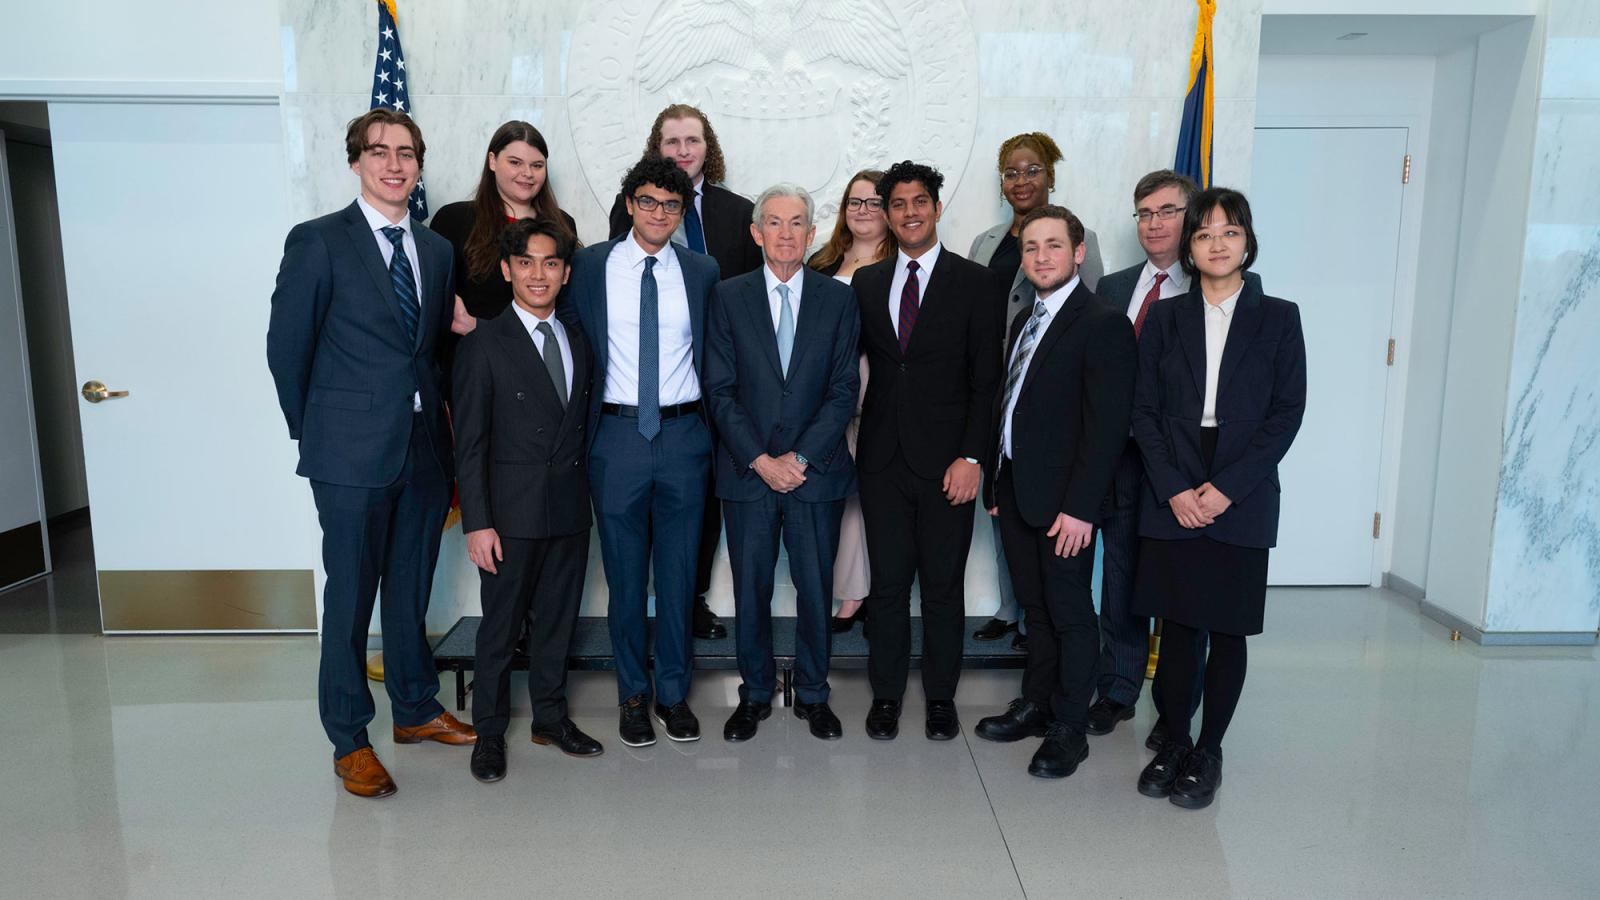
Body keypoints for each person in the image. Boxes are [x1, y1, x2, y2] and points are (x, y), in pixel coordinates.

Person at [267, 108, 476, 799]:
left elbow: (430, 352)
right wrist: (320, 435)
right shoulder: (319, 242)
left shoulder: (435, 251)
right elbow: (287, 351)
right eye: (380, 152)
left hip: (421, 450)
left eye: (407, 153)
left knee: (410, 589)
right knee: (353, 596)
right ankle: (350, 737)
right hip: (348, 455)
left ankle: (415, 708)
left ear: (418, 165)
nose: (395, 164)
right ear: (355, 160)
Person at [1131, 187, 1306, 809]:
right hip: (1175, 478)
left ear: (1247, 241)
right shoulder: (1167, 318)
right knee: (1178, 629)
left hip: (1244, 484)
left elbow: (1286, 414)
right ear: (1190, 246)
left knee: (1228, 631)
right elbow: (1142, 411)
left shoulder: (1280, 318)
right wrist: (1176, 487)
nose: (1216, 244)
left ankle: (1210, 750)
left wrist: (1226, 489)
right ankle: (1174, 741)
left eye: (1229, 232)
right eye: (1204, 234)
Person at [972, 205, 1136, 778]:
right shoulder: (1025, 319)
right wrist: (997, 479)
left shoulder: (1102, 322)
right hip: (1016, 491)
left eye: (1053, 246)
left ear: (1078, 253)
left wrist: (1081, 509)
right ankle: (1036, 704)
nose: (1041, 257)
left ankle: (1069, 725)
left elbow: (1107, 428)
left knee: (1069, 612)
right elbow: (1008, 406)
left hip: (1067, 503)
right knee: (1035, 611)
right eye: (1032, 248)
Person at [564, 155, 720, 747]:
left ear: (683, 213)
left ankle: (673, 695)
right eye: (648, 201)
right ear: (630, 204)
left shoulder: (703, 271)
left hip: (684, 438)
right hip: (616, 437)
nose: (659, 213)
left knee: (679, 579)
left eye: (672, 205)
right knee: (626, 580)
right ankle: (632, 695)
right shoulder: (589, 265)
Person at [704, 184, 860, 742]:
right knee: (752, 590)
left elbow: (844, 391)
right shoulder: (727, 296)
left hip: (814, 473)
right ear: (756, 232)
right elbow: (718, 390)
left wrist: (796, 458)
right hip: (749, 474)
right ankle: (754, 694)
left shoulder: (839, 299)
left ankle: (815, 694)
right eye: (774, 223)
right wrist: (761, 460)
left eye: (797, 223)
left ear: (812, 233)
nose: (786, 234)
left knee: (816, 587)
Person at [854, 160, 1001, 741]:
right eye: (898, 204)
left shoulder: (976, 282)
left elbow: (987, 379)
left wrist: (972, 456)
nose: (910, 212)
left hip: (950, 466)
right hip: (882, 460)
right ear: (886, 214)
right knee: (887, 586)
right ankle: (886, 696)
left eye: (920, 202)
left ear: (937, 209)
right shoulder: (868, 282)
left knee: (942, 586)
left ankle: (941, 698)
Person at [453, 218, 602, 783]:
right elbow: (470, 444)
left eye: (551, 263)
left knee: (557, 623)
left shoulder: (577, 338)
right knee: (501, 627)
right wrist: (478, 522)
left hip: (567, 507)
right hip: (509, 516)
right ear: (507, 269)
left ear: (565, 274)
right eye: (527, 263)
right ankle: (488, 732)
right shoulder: (484, 343)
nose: (538, 274)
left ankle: (550, 718)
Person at [607, 104, 762, 641]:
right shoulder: (623, 218)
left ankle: (689, 598)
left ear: (707, 147)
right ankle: (647, 609)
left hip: (718, 383)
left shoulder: (739, 211)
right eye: (671, 141)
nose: (682, 150)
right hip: (641, 399)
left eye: (692, 140)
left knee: (703, 499)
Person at [966, 132, 1105, 649]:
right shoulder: (986, 242)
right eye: (1010, 172)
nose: (1021, 181)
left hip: (1050, 391)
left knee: (1045, 517)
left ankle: (1037, 626)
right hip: (1004, 380)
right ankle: (1010, 608)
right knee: (1008, 506)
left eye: (1032, 170)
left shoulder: (1077, 235)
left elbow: (1083, 316)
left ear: (1050, 175)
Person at [1084, 169, 1203, 743]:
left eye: (1167, 211)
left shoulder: (1216, 285)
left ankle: (1177, 705)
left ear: (1192, 215)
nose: (1154, 224)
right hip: (1120, 455)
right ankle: (1118, 688)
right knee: (1123, 573)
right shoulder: (1113, 286)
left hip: (1185, 462)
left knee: (1182, 583)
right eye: (1145, 214)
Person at [807, 169, 896, 634]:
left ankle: (866, 594)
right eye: (854, 202)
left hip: (878, 386)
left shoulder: (902, 263)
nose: (863, 211)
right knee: (837, 494)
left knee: (873, 495)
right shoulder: (822, 262)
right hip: (823, 392)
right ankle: (848, 590)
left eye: (874, 202)